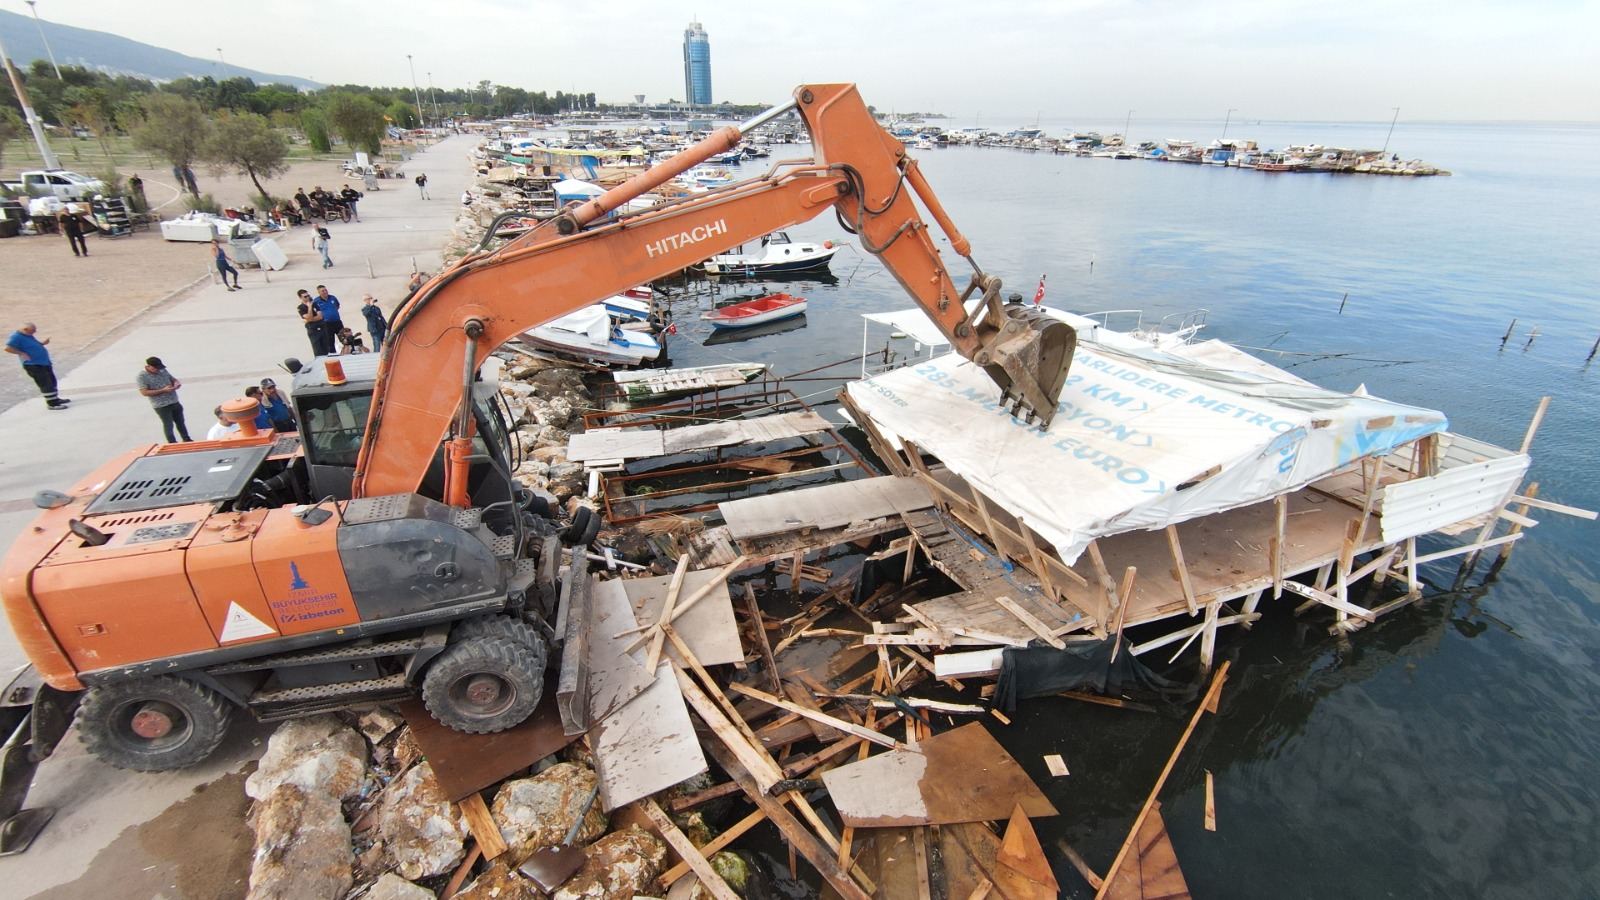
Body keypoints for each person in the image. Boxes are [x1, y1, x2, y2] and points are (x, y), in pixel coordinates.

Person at [5, 322, 69, 410]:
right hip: (33, 364)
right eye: (33, 330)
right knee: (46, 384)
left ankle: (55, 399)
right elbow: (8, 348)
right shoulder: (16, 337)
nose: (35, 332)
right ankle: (52, 404)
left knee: (52, 381)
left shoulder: (28, 335)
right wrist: (21, 353)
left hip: (43, 362)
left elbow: (32, 345)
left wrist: (42, 344)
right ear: (25, 329)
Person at [137, 357, 191, 442]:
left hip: (174, 401)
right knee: (168, 425)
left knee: (180, 422)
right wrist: (163, 390)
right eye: (155, 368)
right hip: (161, 406)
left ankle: (187, 439)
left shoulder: (162, 370)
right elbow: (144, 392)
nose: (158, 370)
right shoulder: (142, 376)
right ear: (148, 366)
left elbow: (173, 379)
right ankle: (172, 443)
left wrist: (176, 384)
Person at [297, 289, 329, 357]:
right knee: (317, 350)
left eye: (308, 296)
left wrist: (309, 319)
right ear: (300, 298)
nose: (307, 297)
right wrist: (309, 308)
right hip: (313, 330)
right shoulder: (301, 308)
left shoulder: (315, 304)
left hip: (321, 327)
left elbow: (320, 316)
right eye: (305, 297)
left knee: (326, 348)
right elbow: (308, 317)